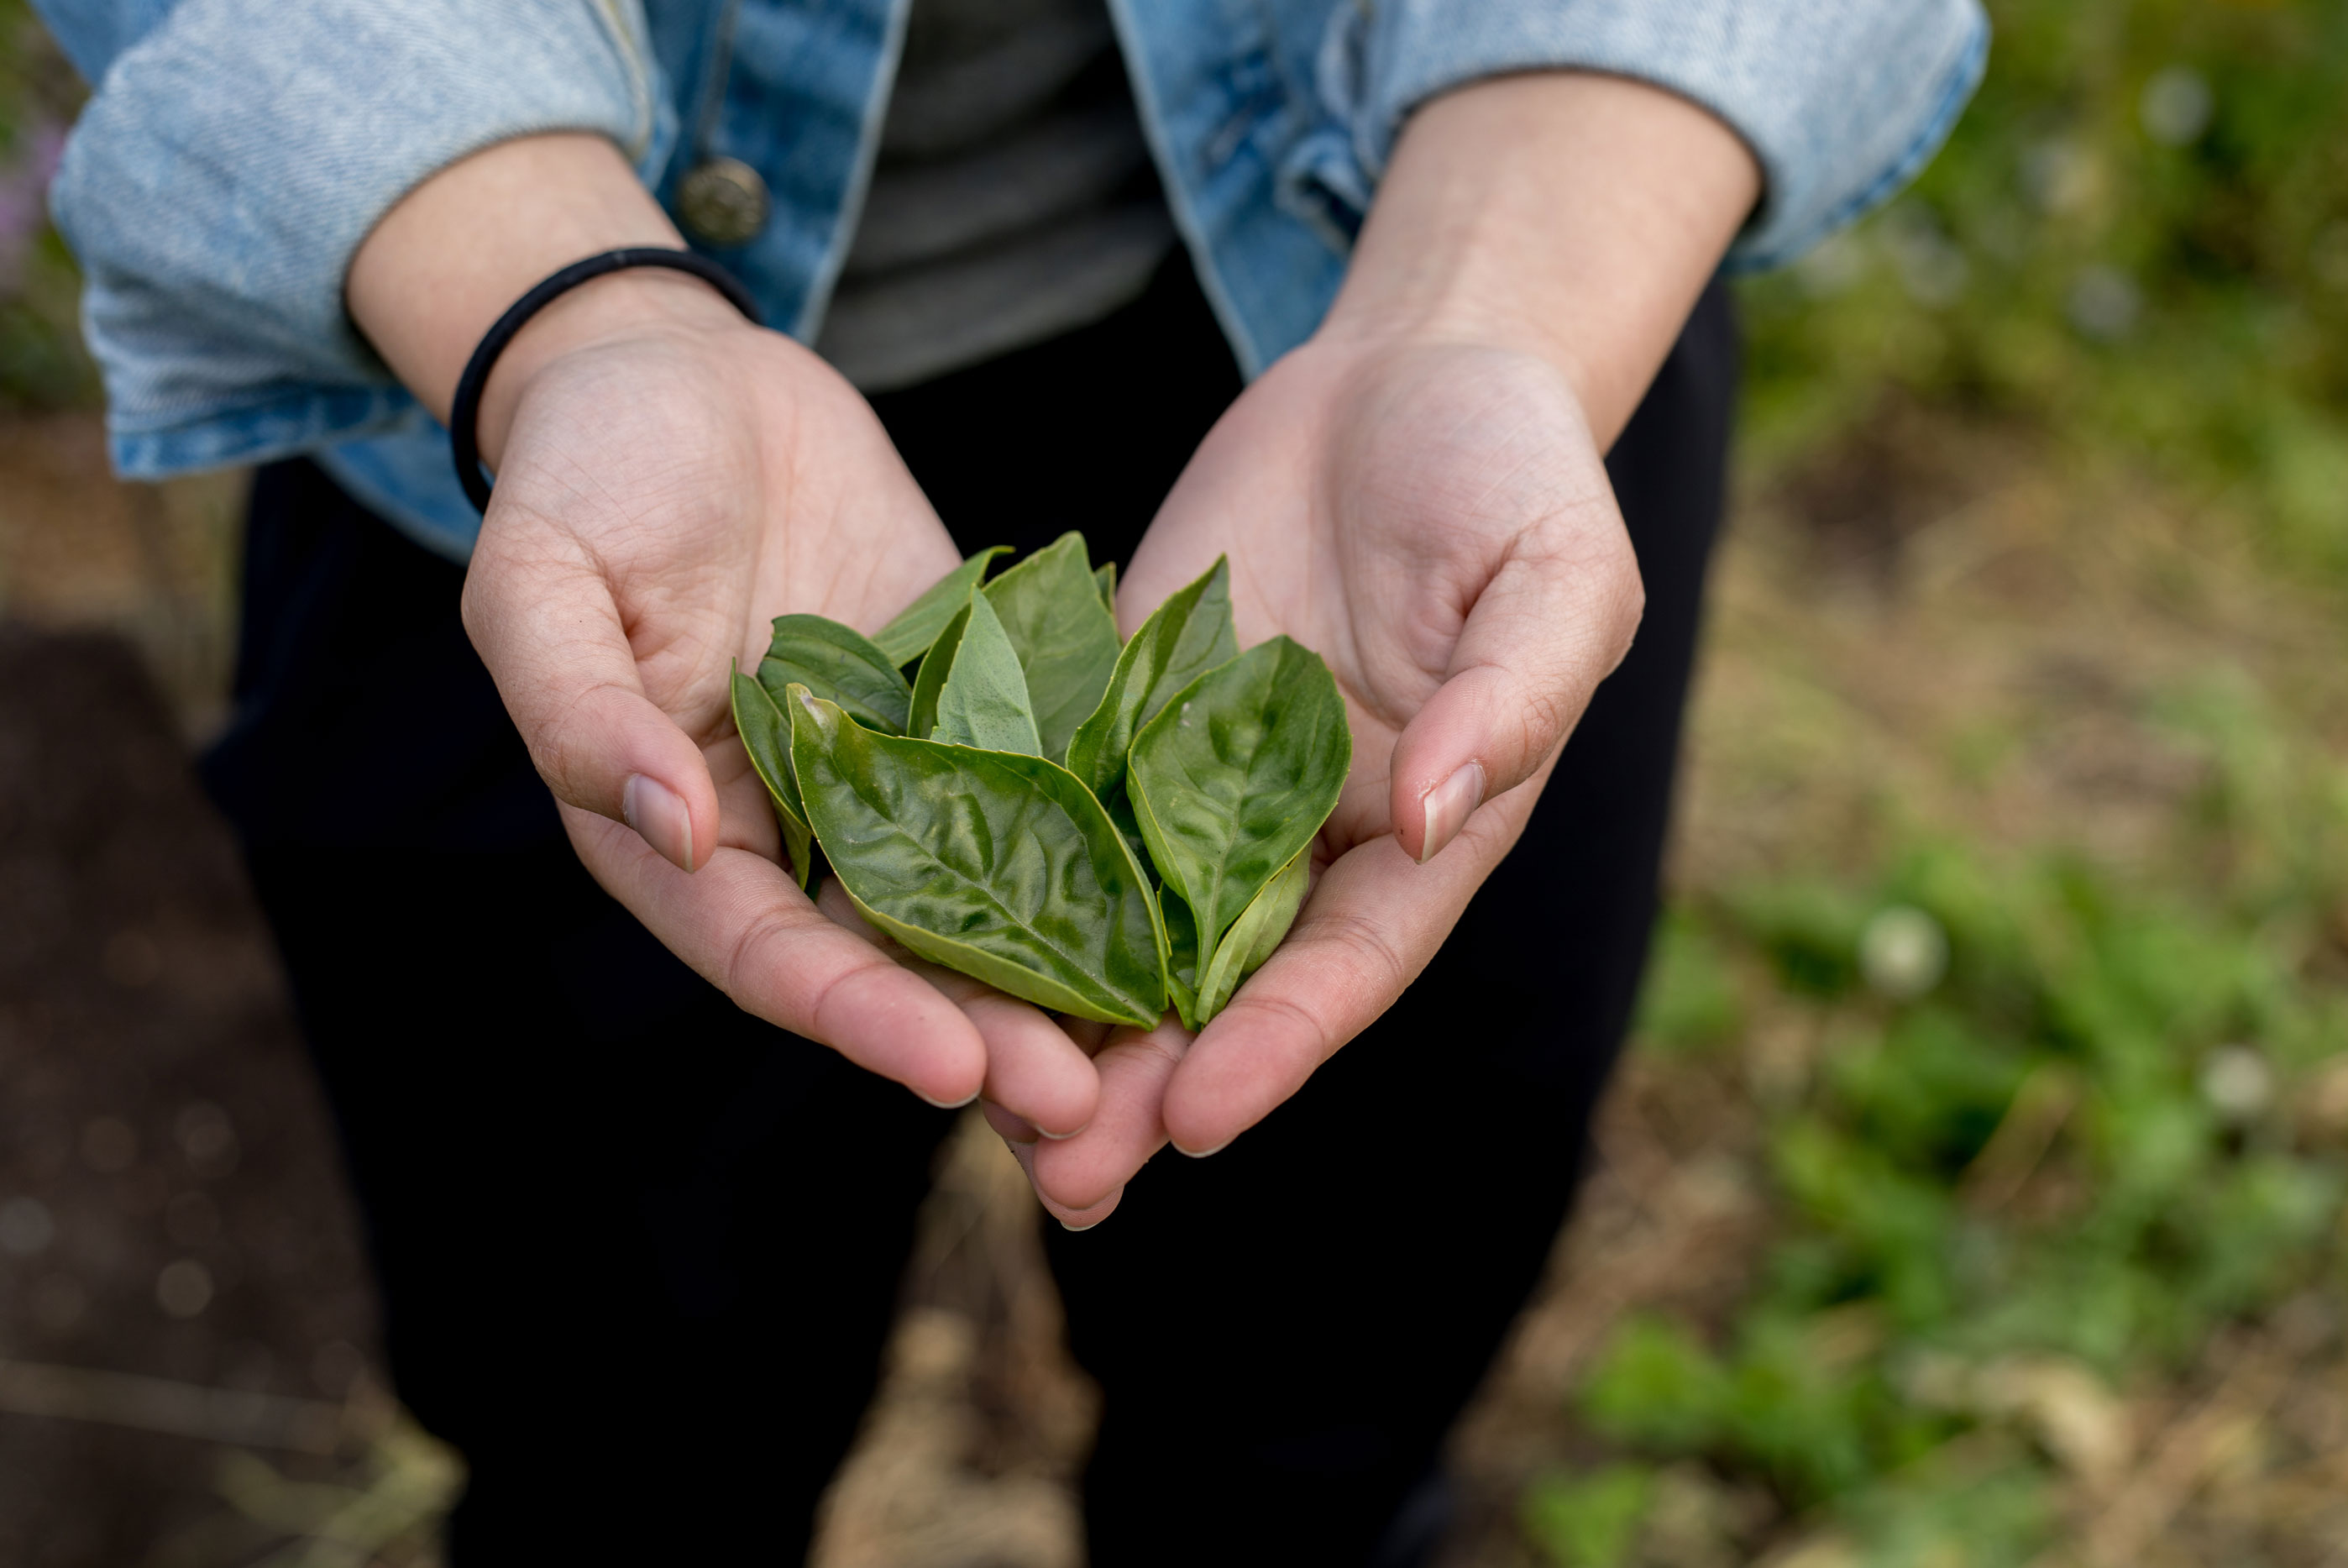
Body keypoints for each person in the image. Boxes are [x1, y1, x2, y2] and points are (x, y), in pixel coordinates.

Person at [39, 1, 1985, 1560]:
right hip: (529, 415)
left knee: (1313, 1427)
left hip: (1440, 371)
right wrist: (561, 313)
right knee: (610, 1444)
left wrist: (1481, 315)